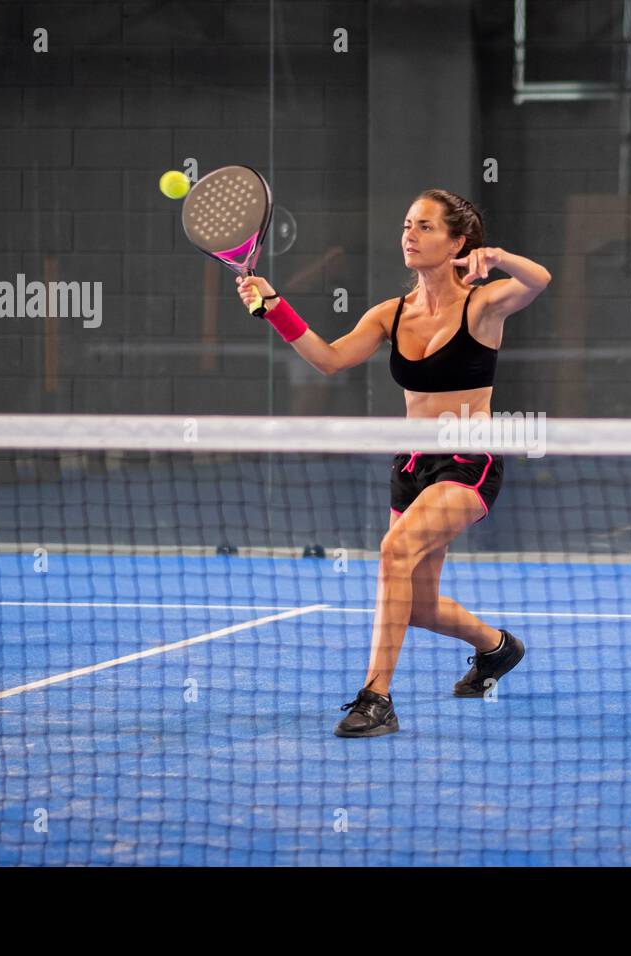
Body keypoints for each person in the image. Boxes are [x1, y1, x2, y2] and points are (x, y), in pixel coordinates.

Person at [237, 189, 551, 737]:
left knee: (394, 550)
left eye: (426, 227)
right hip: (411, 466)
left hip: (466, 459)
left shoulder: (483, 305)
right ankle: (497, 648)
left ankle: (376, 697)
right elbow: (331, 360)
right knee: (419, 604)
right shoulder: (391, 313)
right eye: (408, 224)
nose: (410, 234)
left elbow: (539, 280)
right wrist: (273, 306)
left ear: (458, 242)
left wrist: (496, 258)